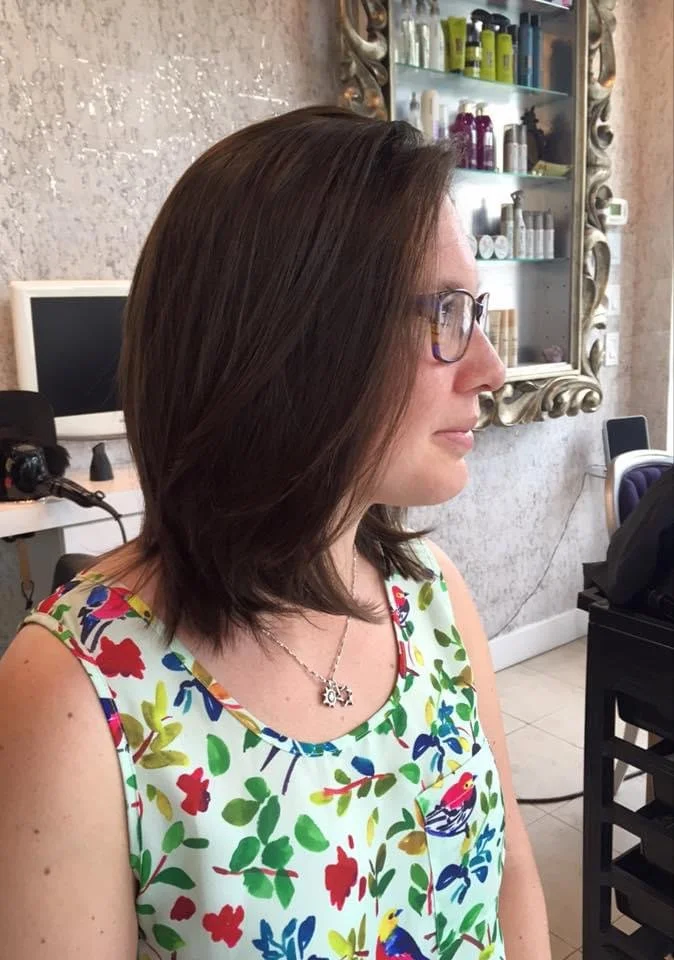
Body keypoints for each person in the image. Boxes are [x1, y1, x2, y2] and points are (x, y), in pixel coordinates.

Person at [0, 106, 551, 959]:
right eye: (445, 314)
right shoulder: (74, 695)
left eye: (473, 311)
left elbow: (510, 867)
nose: (488, 366)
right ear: (298, 339)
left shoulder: (433, 599)